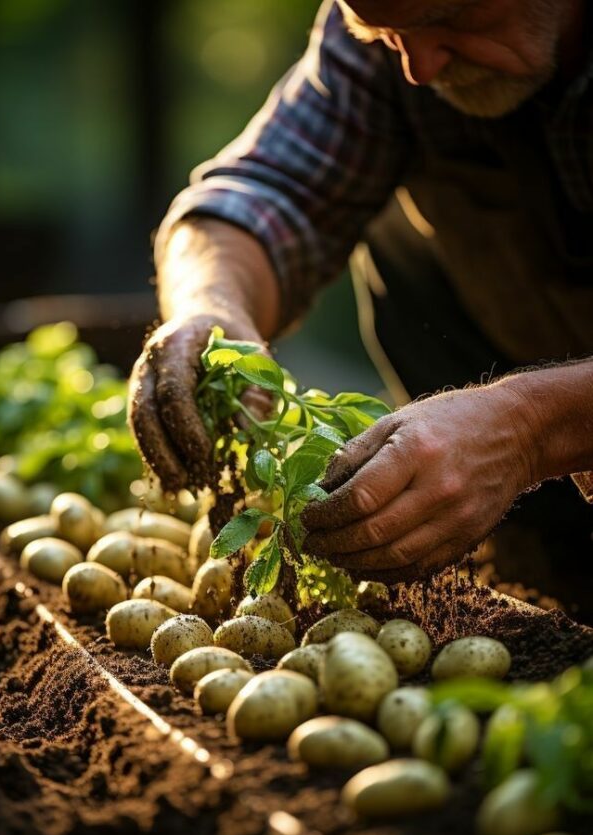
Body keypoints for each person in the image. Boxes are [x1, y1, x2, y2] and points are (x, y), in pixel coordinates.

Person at [130, 0, 593, 587]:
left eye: (451, 21)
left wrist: (532, 426)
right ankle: (530, 556)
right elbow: (264, 191)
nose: (417, 69)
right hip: (517, 475)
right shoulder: (392, 31)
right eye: (386, 35)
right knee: (398, 234)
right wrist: (210, 310)